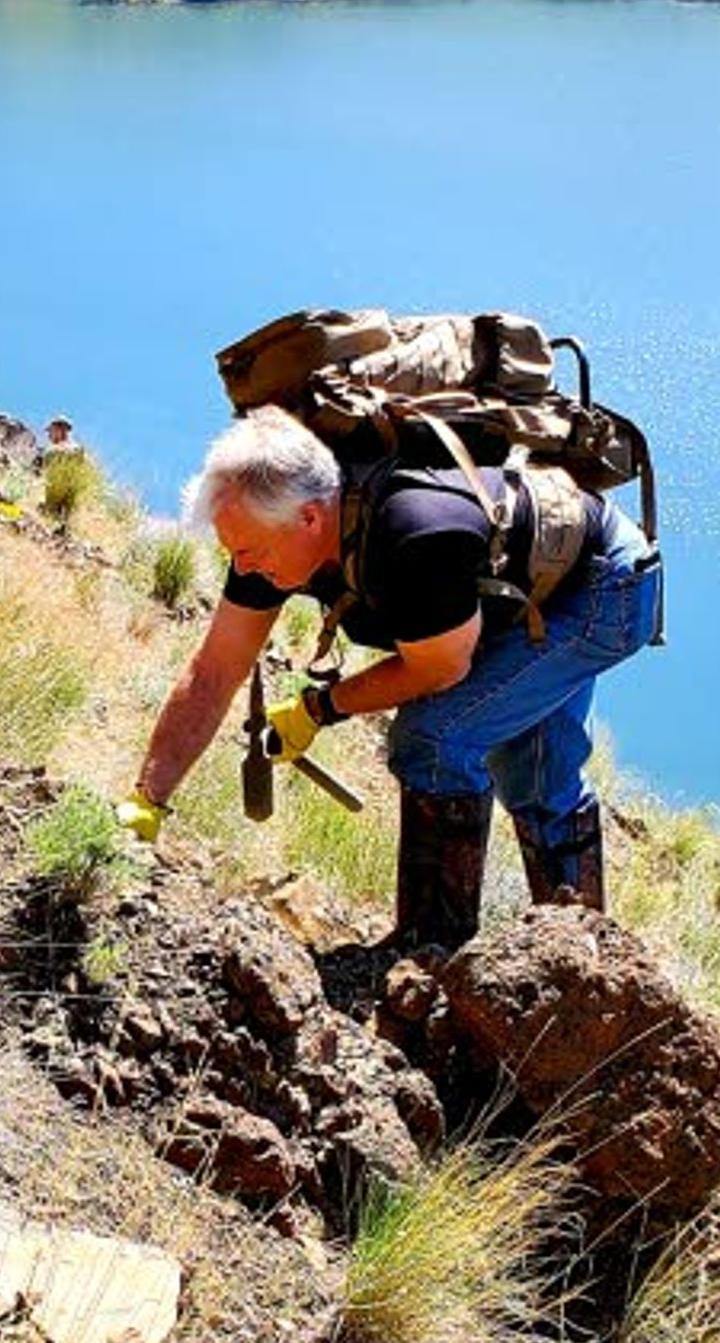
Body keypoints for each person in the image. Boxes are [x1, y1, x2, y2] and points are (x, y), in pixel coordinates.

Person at [118, 406, 659, 955]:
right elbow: (213, 671)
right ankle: (574, 961)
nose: (245, 569)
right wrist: (148, 798)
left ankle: (434, 957)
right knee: (534, 773)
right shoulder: (267, 543)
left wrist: (318, 709)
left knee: (437, 741)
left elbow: (440, 667)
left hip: (599, 589)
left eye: (249, 553)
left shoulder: (415, 532)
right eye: (234, 554)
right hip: (500, 596)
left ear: (310, 518)